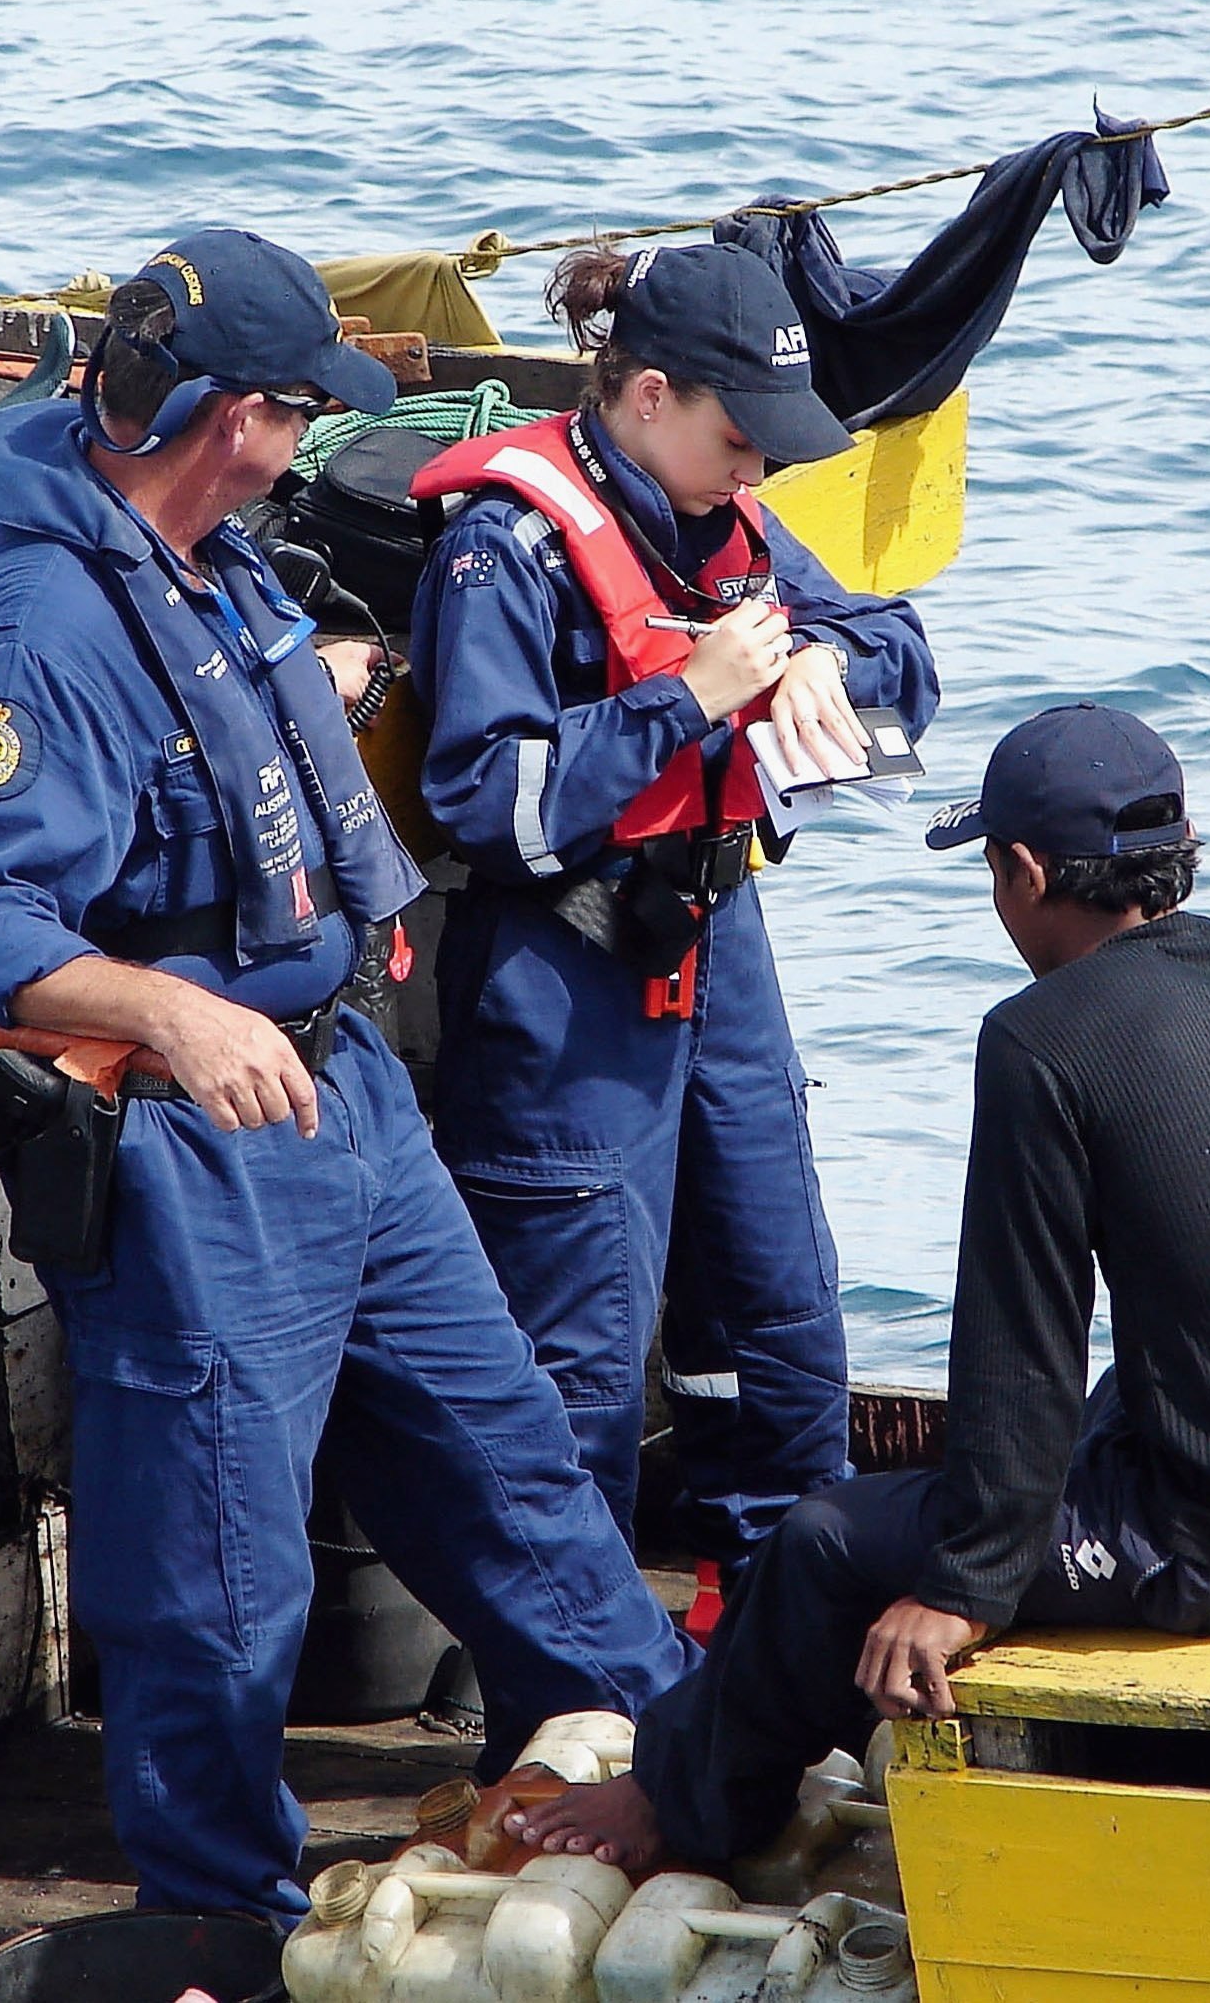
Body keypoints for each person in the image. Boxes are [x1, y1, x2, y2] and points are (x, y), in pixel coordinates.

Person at [0, 228, 694, 1921]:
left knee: (508, 1460)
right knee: (215, 1573)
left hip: (354, 1109)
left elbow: (247, 703)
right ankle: (228, 1923)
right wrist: (175, 1015)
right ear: (231, 420)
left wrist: (335, 692)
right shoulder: (40, 626)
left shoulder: (208, 551)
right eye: (297, 413)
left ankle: (697, 1776)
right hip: (202, 1152)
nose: (305, 444)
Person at [506, 705, 1210, 1869]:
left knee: (822, 1542)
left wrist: (968, 1589)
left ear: (1024, 872)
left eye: (992, 869)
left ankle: (684, 1802)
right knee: (1121, 1410)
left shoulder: (1041, 1039)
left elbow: (1020, 1347)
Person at [405, 242, 940, 1563]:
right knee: (572, 1369)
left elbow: (907, 652)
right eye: (738, 437)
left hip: (715, 946)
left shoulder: (733, 523)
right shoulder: (504, 551)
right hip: (563, 978)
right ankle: (568, 1710)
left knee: (783, 1319)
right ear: (649, 396)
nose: (759, 470)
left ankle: (771, 1639)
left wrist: (820, 656)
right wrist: (685, 699)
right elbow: (491, 801)